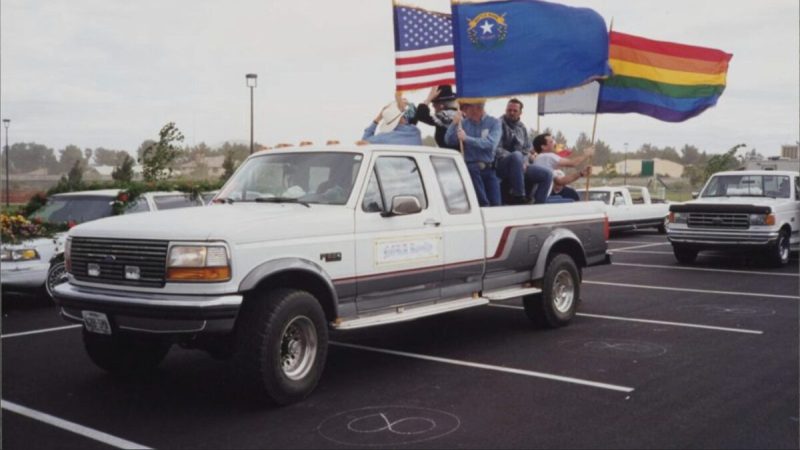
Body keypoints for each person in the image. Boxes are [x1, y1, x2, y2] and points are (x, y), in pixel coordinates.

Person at [495, 98, 553, 205]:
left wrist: (525, 161)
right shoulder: (498, 124)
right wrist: (519, 159)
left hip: (520, 165)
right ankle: (519, 195)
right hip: (501, 165)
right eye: (509, 110)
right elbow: (496, 148)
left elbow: (527, 149)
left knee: (547, 174)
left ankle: (538, 206)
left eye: (514, 111)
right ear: (505, 110)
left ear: (520, 112)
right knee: (517, 155)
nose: (511, 112)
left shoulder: (522, 127)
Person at [445, 101, 502, 206]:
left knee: (496, 205)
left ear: (476, 107)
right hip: (471, 170)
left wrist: (467, 139)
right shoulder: (464, 124)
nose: (463, 110)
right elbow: (449, 140)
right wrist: (454, 124)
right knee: (482, 205)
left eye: (466, 107)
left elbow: (491, 144)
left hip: (489, 169)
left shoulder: (494, 123)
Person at [358, 95, 422, 146]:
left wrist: (378, 118)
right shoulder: (416, 133)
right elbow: (413, 112)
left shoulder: (383, 138)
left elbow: (363, 142)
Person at [415, 85, 460, 151]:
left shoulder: (446, 115)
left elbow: (421, 115)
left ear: (441, 105)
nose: (432, 105)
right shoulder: (455, 113)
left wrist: (429, 98)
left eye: (435, 103)